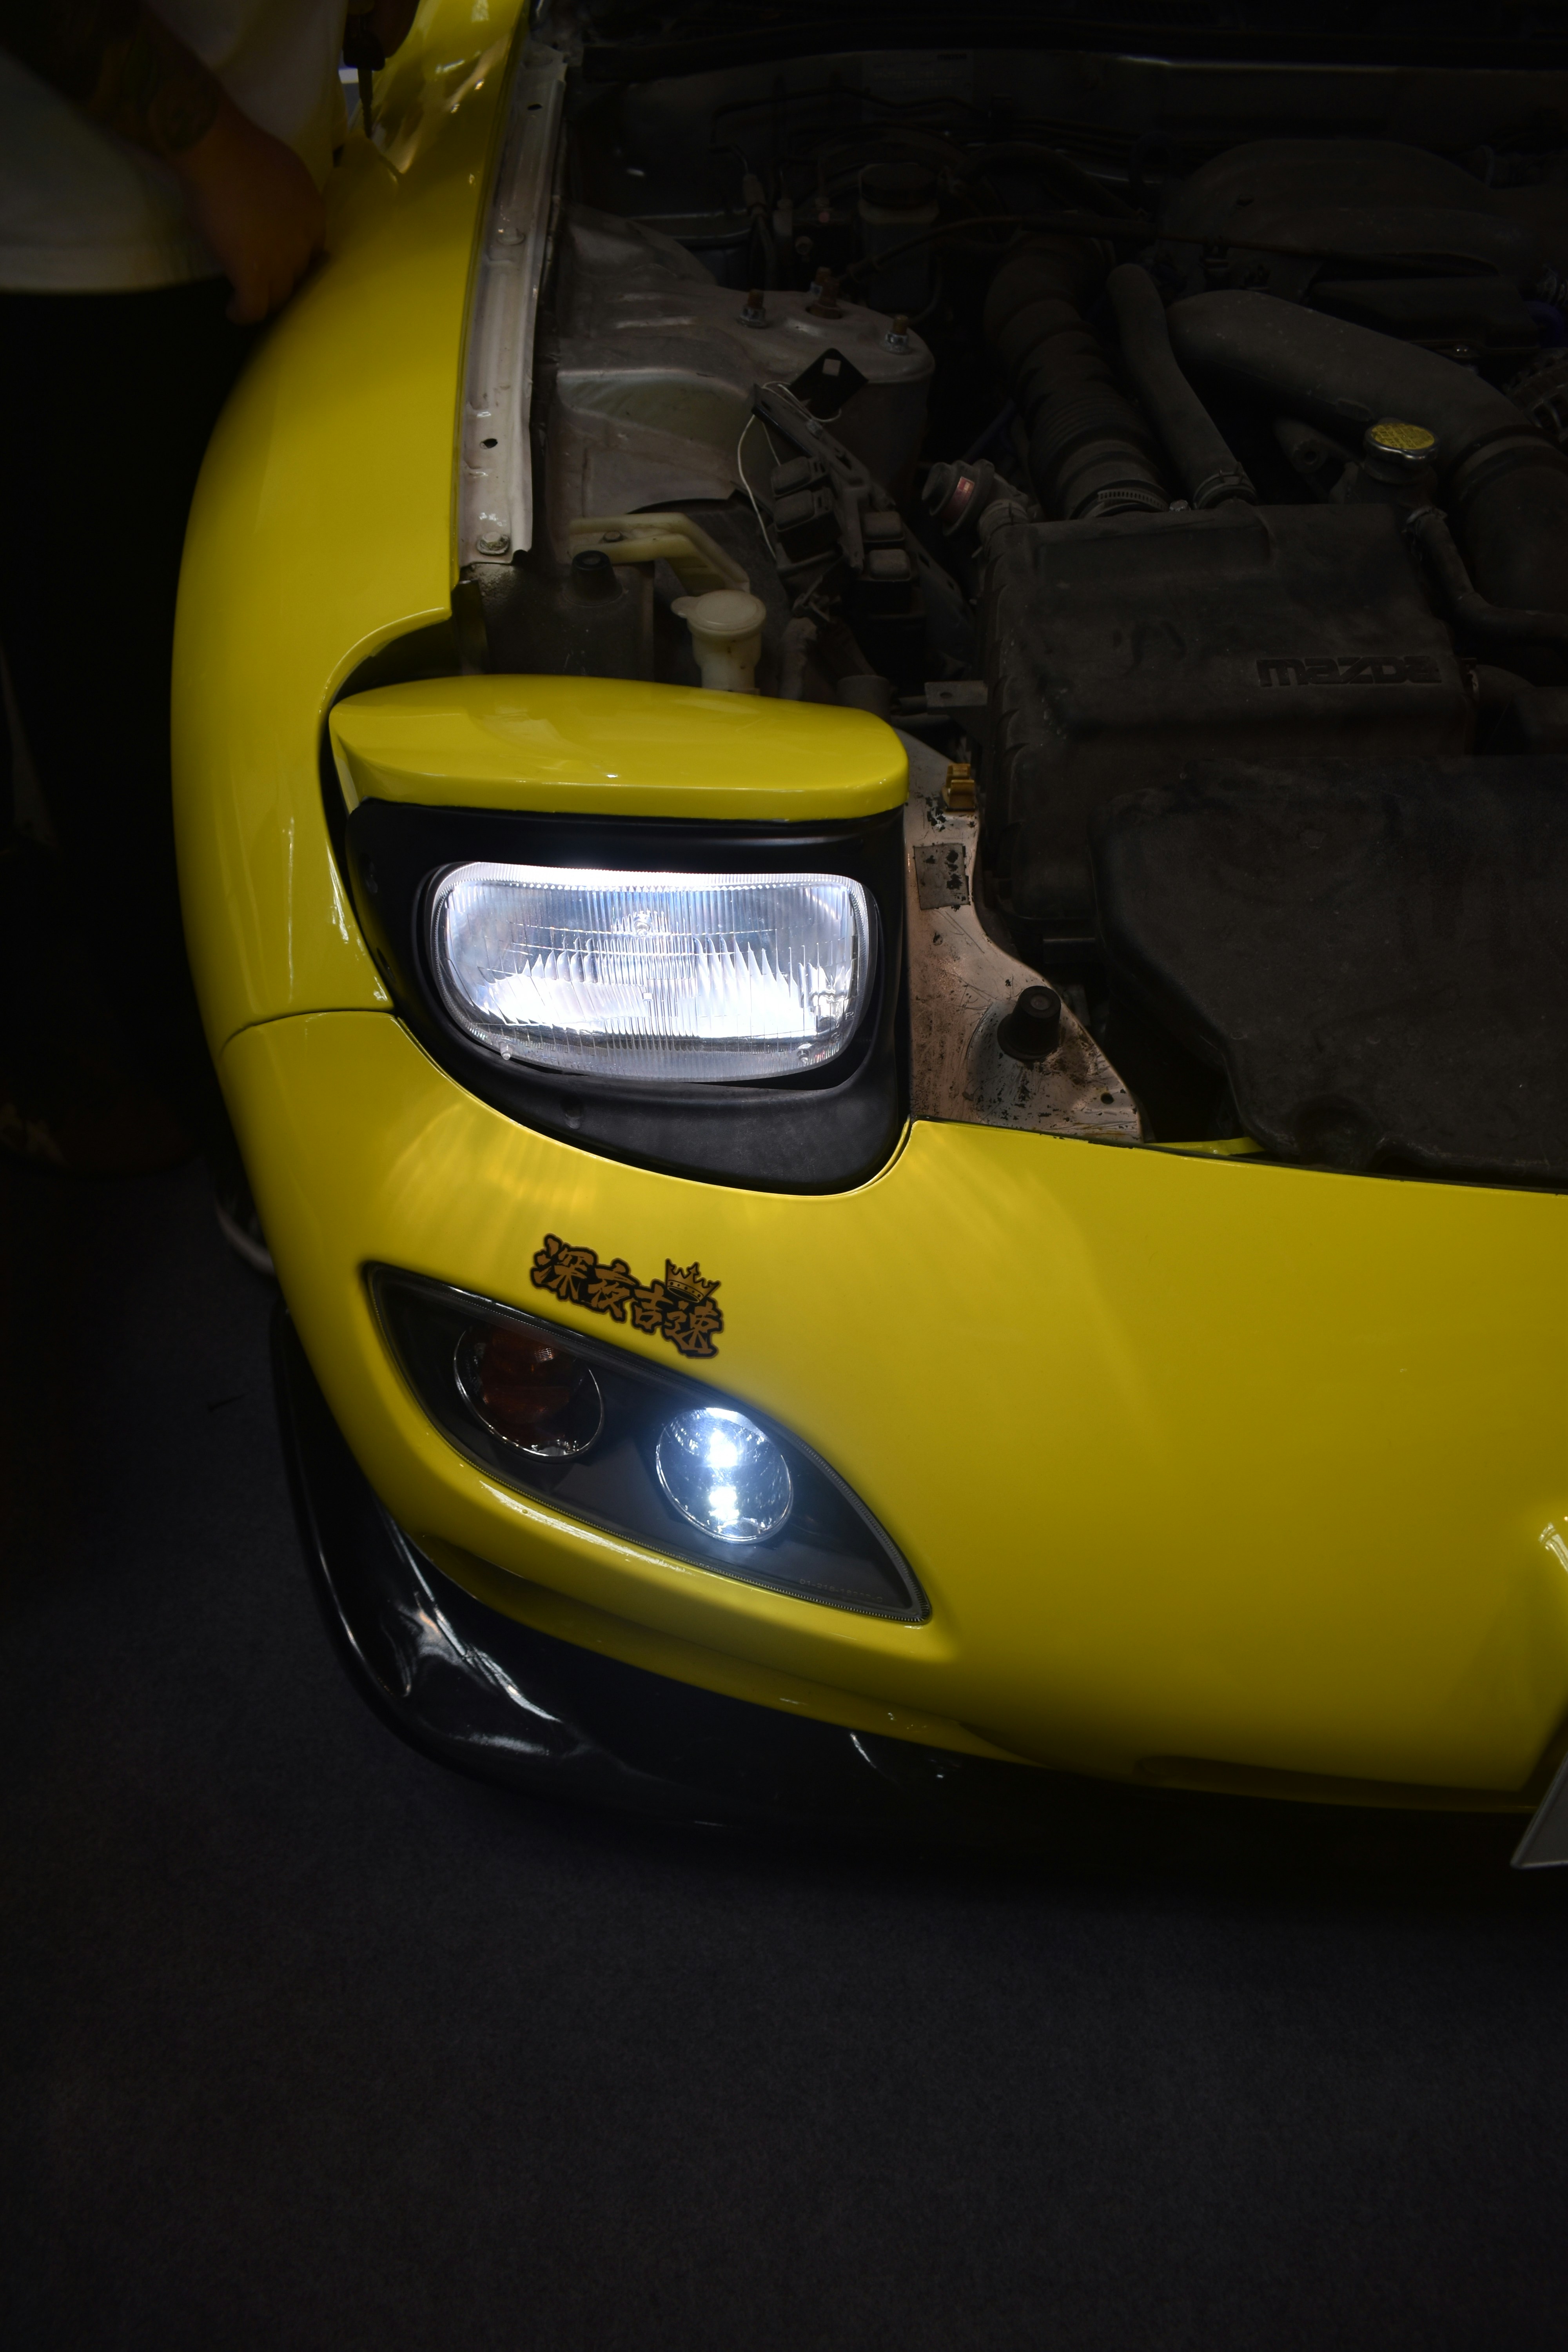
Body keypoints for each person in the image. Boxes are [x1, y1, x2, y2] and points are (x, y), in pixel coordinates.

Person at [0, 2, 414, 1267]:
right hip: (94, 255)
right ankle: (246, 1144)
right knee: (145, 739)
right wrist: (218, 151)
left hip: (258, 172)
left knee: (258, 690)